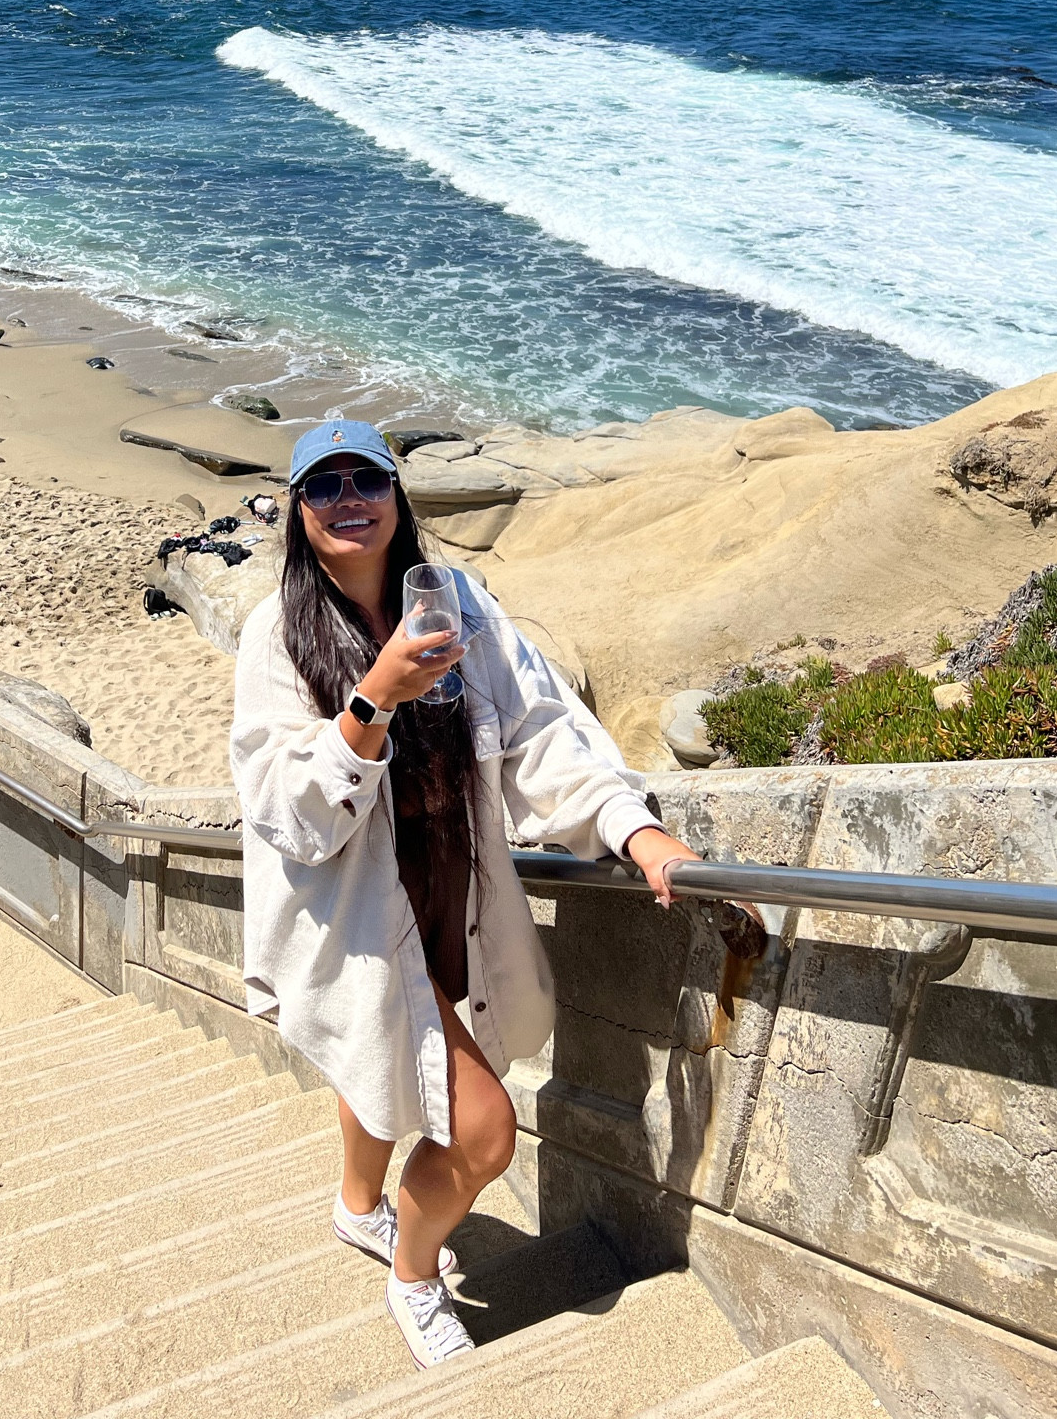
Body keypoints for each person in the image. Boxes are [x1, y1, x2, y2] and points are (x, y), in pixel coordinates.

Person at [231, 420, 734, 1371]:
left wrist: (636, 828)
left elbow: (543, 728)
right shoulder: (276, 634)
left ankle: (356, 1208)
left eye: (366, 480)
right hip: (361, 918)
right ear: (299, 513)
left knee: (383, 1064)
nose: (349, 500)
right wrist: (372, 698)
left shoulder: (456, 602)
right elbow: (287, 811)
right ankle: (413, 1276)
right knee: (486, 1129)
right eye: (324, 486)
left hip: (450, 890)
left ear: (396, 497)